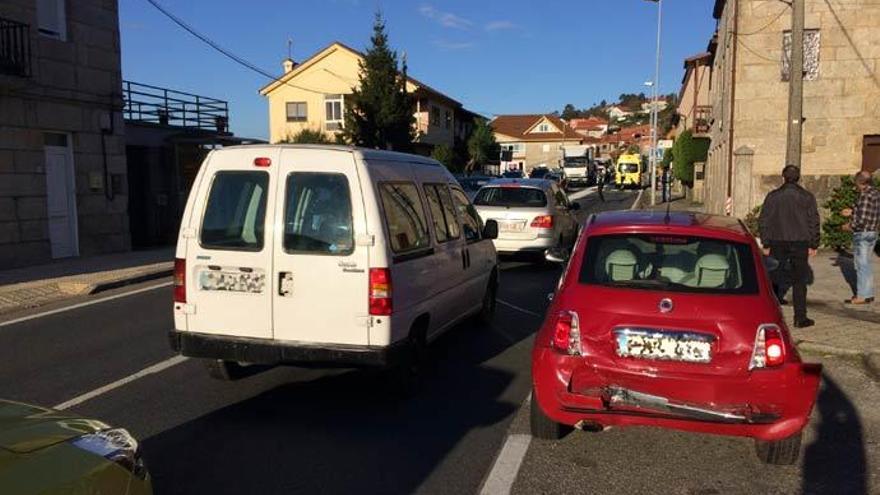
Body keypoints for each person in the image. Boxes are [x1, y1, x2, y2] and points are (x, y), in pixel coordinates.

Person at [758, 165, 820, 328]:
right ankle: (800, 317)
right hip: (800, 241)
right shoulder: (807, 197)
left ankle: (768, 312)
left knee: (774, 275)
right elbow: (813, 221)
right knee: (800, 280)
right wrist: (814, 243)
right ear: (799, 177)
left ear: (783, 177)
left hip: (777, 240)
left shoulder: (773, 196)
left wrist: (766, 242)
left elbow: (764, 219)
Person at [841, 171, 879, 304]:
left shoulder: (864, 195)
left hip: (862, 233)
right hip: (873, 232)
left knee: (861, 265)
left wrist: (849, 226)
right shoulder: (876, 193)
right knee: (866, 264)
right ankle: (867, 294)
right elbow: (868, 211)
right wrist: (852, 211)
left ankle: (862, 296)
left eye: (856, 183)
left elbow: (861, 220)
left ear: (860, 182)